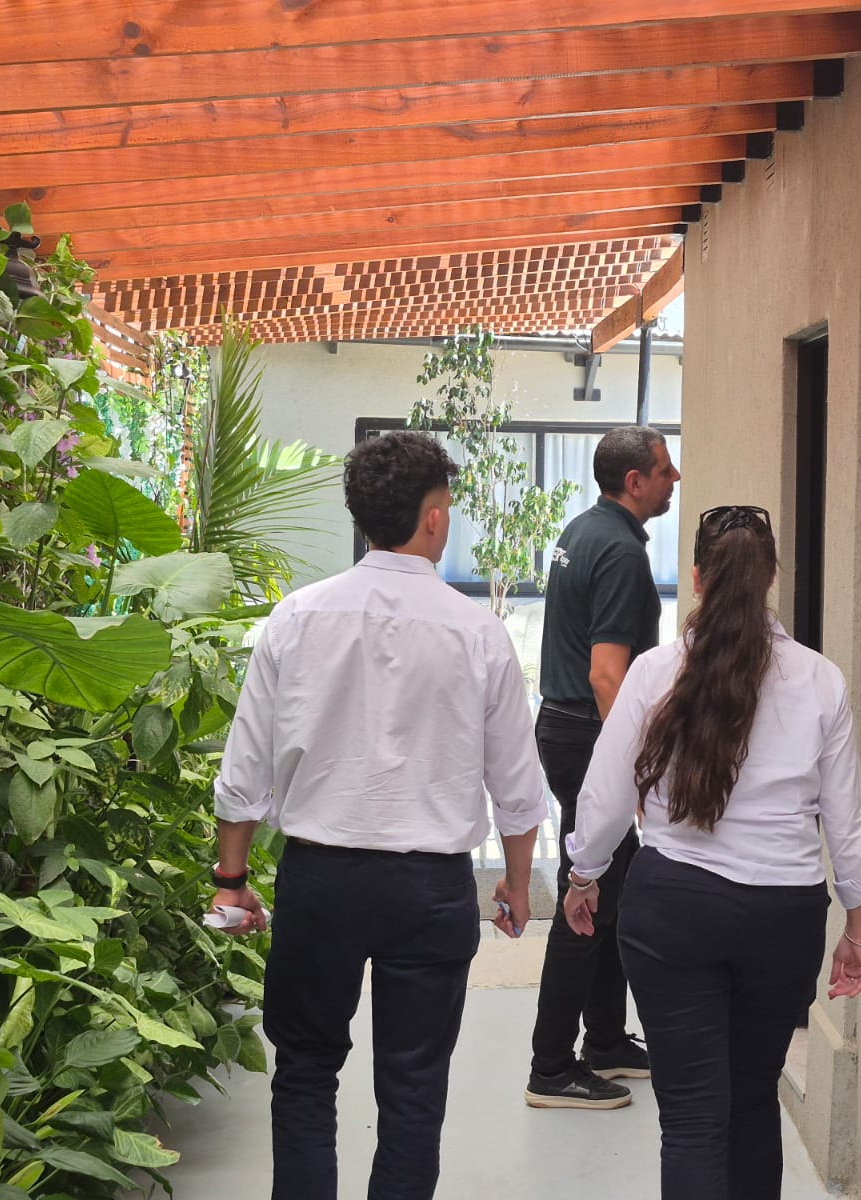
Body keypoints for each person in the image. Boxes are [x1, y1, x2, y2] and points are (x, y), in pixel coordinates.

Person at [208, 430, 545, 1200]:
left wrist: (231, 880)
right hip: (431, 890)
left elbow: (245, 768)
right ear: (433, 517)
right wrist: (517, 883)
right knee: (414, 1089)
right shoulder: (479, 632)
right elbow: (517, 786)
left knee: (304, 1072)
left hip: (320, 880)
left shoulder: (297, 617)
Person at [563, 504, 861, 1198]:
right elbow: (846, 819)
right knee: (752, 1099)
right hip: (784, 916)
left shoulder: (656, 672)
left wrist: (585, 874)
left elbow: (607, 793)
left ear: (697, 579)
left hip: (674, 909)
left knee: (690, 1117)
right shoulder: (820, 679)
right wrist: (857, 926)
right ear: (770, 577)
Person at [525, 424, 681, 1110]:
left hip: (567, 728)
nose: (675, 479)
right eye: (666, 469)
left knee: (611, 889)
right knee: (586, 893)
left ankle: (608, 1040)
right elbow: (606, 674)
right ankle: (551, 1066)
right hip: (590, 734)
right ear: (635, 481)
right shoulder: (619, 551)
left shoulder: (583, 530)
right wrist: (638, 767)